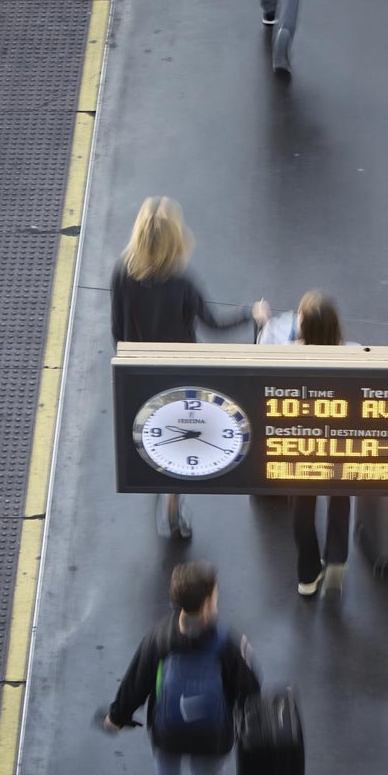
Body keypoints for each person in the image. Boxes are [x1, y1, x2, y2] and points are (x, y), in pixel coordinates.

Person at [111, 196, 268, 537]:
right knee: (182, 433)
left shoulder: (122, 272)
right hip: (180, 370)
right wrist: (251, 313)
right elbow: (213, 323)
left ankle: (155, 476)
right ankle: (172, 505)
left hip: (139, 371)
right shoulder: (182, 284)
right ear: (175, 240)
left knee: (152, 429)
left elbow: (117, 331)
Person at [103, 561, 261, 775]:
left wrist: (116, 717)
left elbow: (136, 682)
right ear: (208, 605)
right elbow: (251, 688)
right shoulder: (228, 644)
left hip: (167, 734)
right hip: (212, 738)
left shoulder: (159, 638)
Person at [290, 290, 352, 596]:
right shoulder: (353, 353)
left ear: (303, 327)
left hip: (299, 448)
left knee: (302, 506)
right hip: (343, 445)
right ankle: (337, 557)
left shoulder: (287, 356)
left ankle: (308, 575)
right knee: (340, 496)